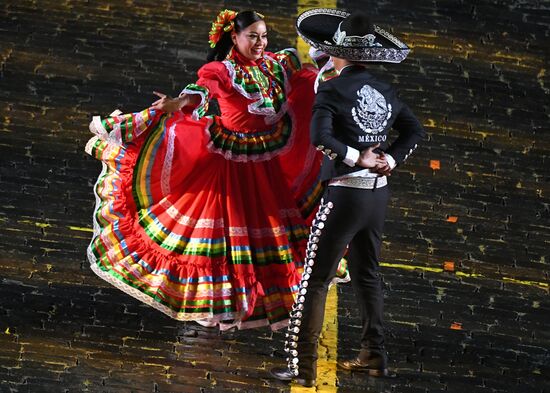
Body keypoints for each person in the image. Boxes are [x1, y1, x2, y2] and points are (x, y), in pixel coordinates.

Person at [85, 9, 327, 331]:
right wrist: (177, 103)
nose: (259, 42)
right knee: (219, 236)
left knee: (266, 232)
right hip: (230, 166)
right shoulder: (222, 71)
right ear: (234, 38)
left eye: (263, 36)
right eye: (252, 36)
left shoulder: (274, 64)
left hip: (265, 165)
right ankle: (217, 302)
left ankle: (254, 296)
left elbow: (305, 77)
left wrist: (330, 65)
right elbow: (201, 90)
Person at [271, 9, 426, 386]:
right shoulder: (385, 89)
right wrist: (388, 158)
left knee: (315, 279)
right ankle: (374, 355)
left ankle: (301, 366)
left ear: (335, 52)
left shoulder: (333, 88)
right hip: (376, 197)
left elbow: (321, 138)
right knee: (368, 276)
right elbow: (414, 131)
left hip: (344, 196)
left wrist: (357, 157)